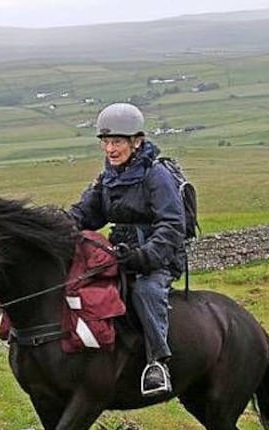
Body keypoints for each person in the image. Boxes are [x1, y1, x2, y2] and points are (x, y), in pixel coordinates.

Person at [68, 102, 186, 396]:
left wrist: (144, 257)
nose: (110, 149)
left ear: (137, 142)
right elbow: (87, 212)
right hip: (120, 253)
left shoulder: (156, 175)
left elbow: (172, 225)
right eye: (106, 142)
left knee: (145, 291)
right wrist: (58, 224)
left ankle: (158, 363)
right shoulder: (108, 176)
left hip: (157, 257)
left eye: (117, 142)